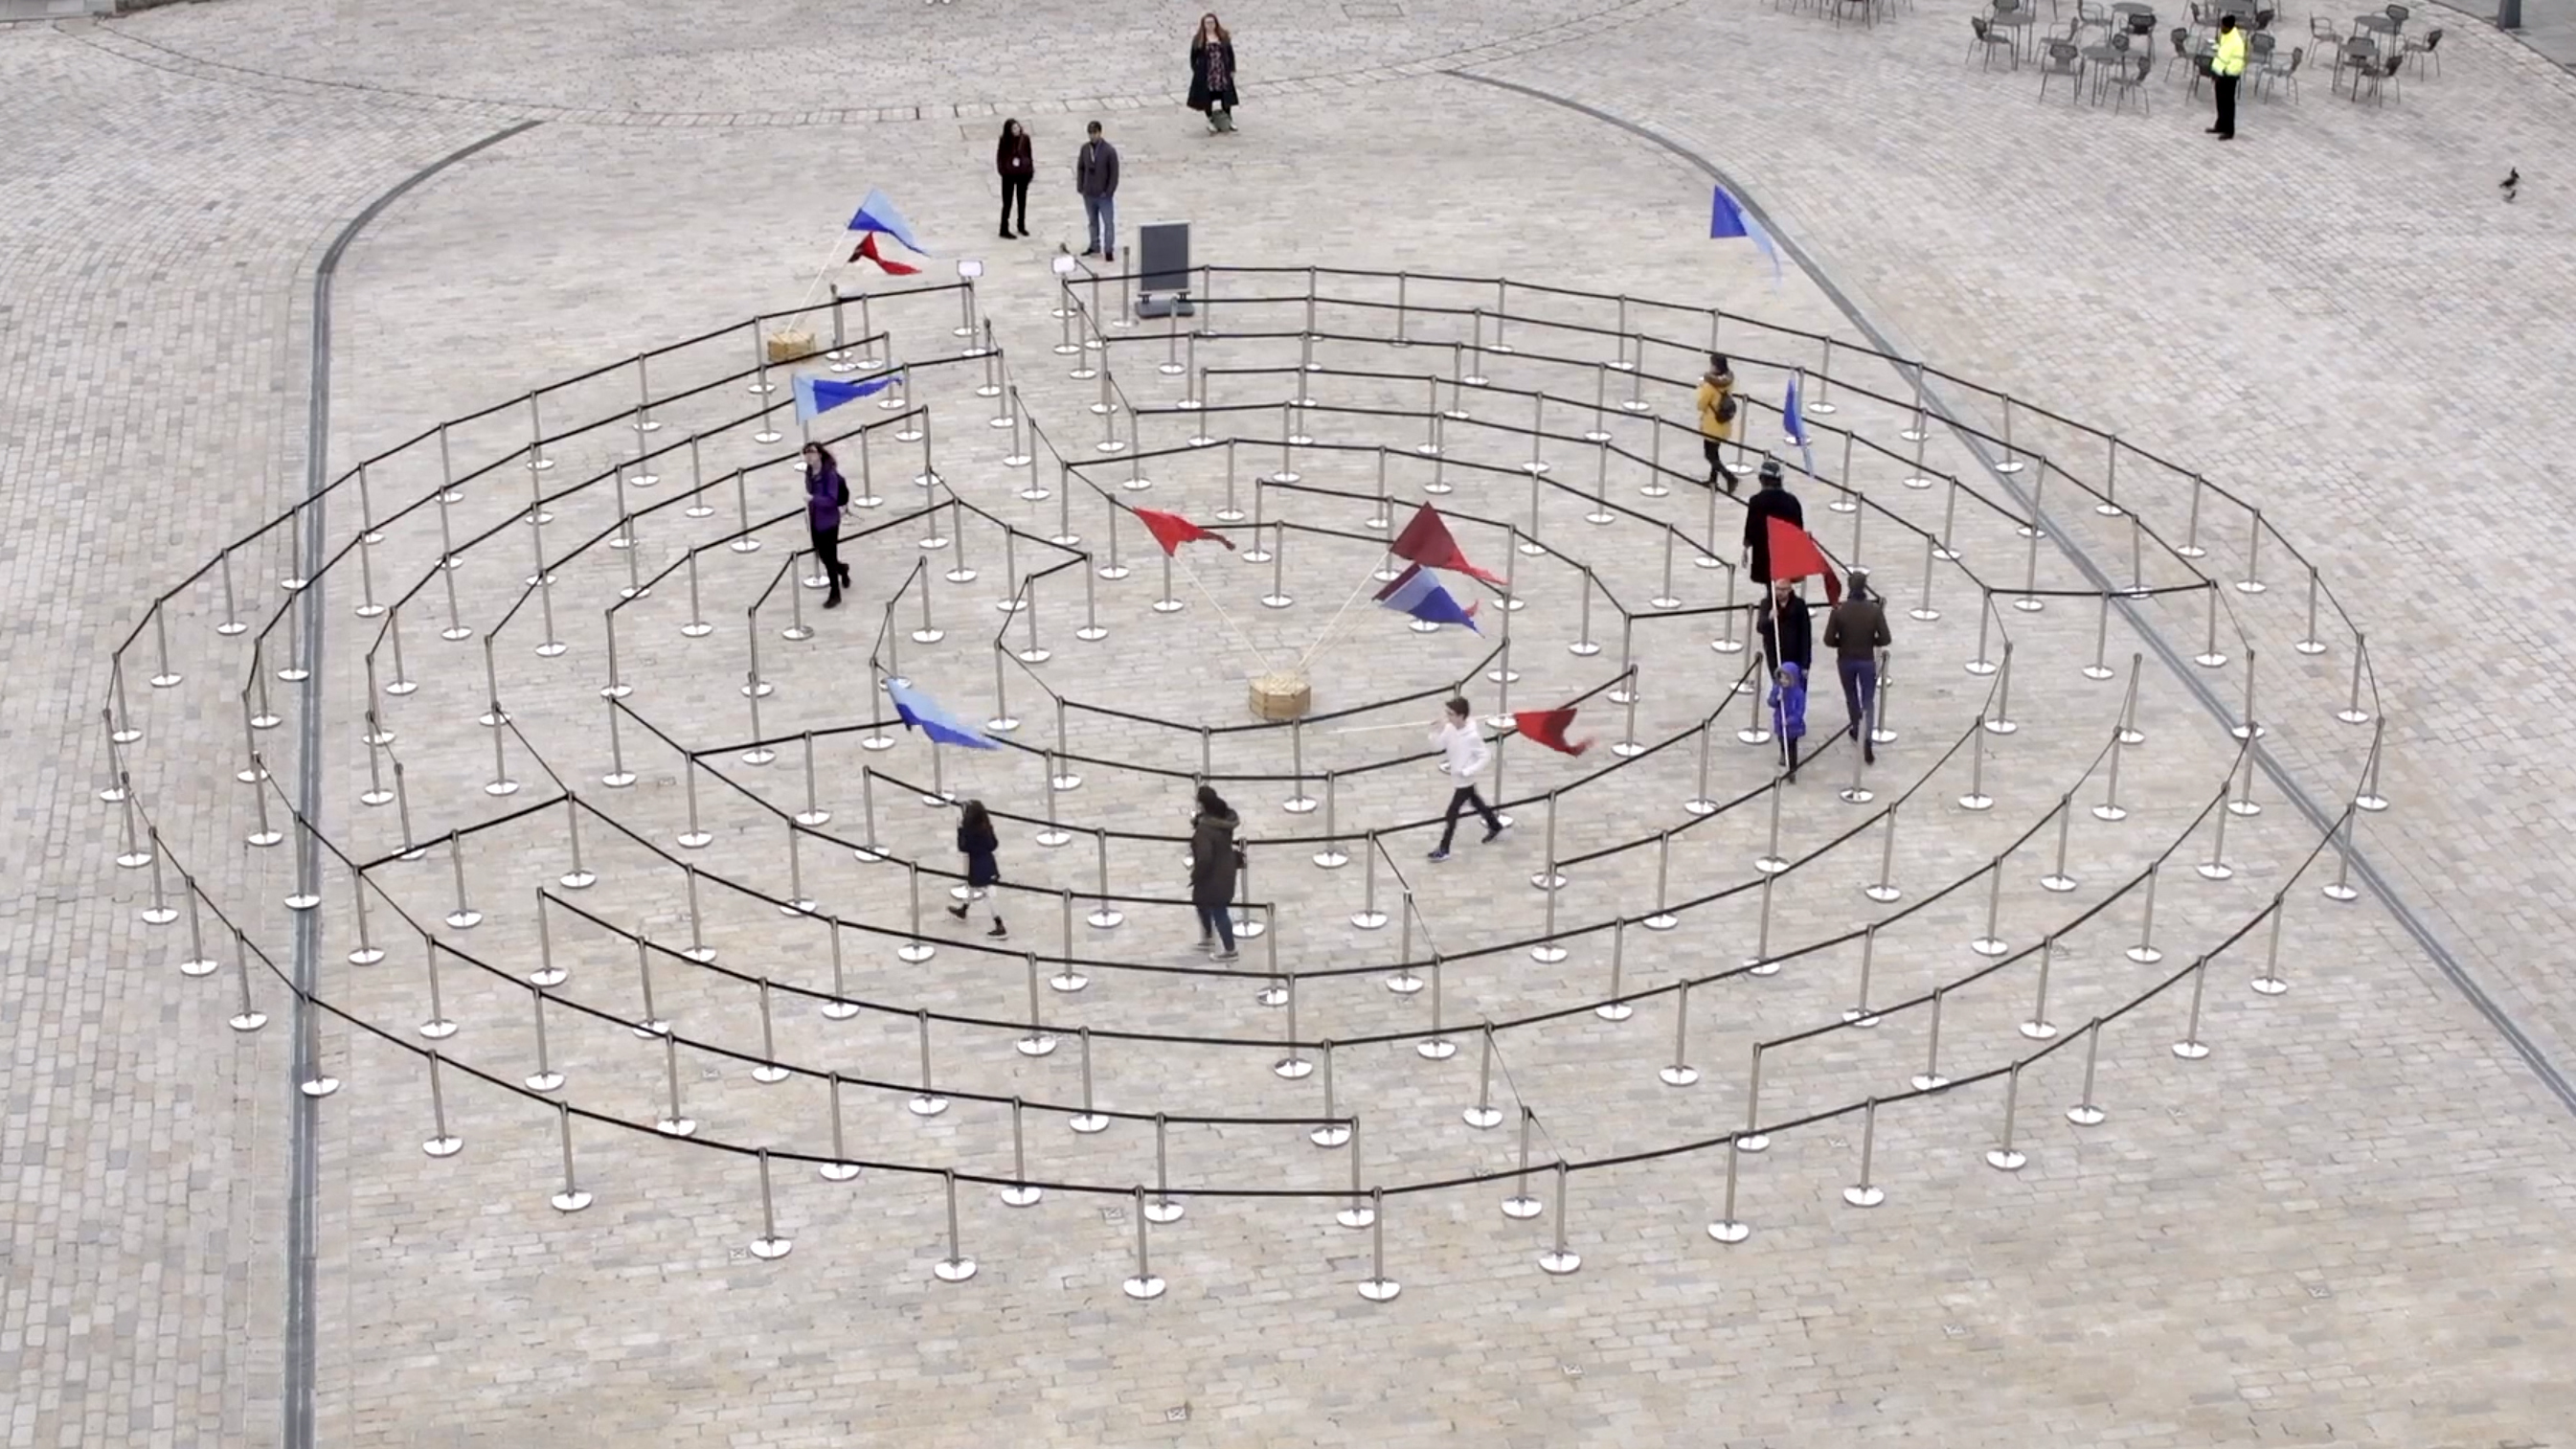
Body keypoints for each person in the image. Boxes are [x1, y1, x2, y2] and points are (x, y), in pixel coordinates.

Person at [1822, 566, 1892, 764]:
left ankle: (1856, 729)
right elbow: (1885, 638)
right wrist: (1872, 642)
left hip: (1846, 659)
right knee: (1868, 700)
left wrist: (1841, 643)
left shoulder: (1839, 611)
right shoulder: (1874, 610)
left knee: (1851, 696)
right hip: (1866, 660)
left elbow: (1828, 639)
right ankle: (1868, 737)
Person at [1427, 696, 1505, 862]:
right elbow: (1437, 747)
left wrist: (1468, 771)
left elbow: (1485, 756)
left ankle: (1444, 848)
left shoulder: (1472, 737)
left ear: (1461, 716)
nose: (1448, 717)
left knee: (1452, 813)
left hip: (1464, 779)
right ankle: (1495, 825)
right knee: (1476, 802)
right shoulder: (1449, 729)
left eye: (1452, 714)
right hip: (1458, 777)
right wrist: (1436, 731)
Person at [1188, 785, 1241, 961]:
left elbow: (1205, 858)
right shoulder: (1223, 819)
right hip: (1226, 868)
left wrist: (1195, 875)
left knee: (1218, 910)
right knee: (1201, 902)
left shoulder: (1205, 831)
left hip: (1212, 876)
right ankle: (1209, 937)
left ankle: (1230, 949)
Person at [944, 800, 1006, 938]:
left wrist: (960, 830)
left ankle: (999, 924)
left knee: (989, 894)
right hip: (988, 862)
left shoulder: (970, 831)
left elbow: (963, 847)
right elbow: (993, 845)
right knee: (972, 886)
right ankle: (964, 910)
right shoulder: (986, 827)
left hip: (978, 864)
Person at [802, 442, 851, 609]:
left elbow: (831, 499)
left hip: (829, 521)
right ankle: (842, 569)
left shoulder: (829, 474)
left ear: (820, 454)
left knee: (829, 557)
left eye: (812, 452)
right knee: (823, 555)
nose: (809, 456)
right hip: (815, 519)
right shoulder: (809, 472)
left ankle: (835, 593)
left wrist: (813, 499)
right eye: (806, 453)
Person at [1741, 457, 1804, 583]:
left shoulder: (1756, 501)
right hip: (1786, 553)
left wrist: (1746, 545)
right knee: (1783, 586)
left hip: (1764, 554)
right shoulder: (1792, 501)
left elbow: (1752, 528)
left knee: (1771, 587)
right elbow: (1799, 528)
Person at [1754, 576, 1814, 688]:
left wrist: (1806, 664)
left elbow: (1806, 634)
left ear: (1790, 589)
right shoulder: (1767, 604)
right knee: (1779, 688)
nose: (1780, 592)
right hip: (1775, 654)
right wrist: (1769, 619)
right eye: (1777, 589)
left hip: (1795, 654)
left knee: (1797, 688)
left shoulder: (1799, 605)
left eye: (1783, 589)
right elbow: (1760, 628)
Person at [1076, 121, 1120, 262]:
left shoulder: (1109, 151)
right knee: (1092, 221)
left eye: (1095, 133)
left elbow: (1114, 174)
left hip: (1103, 195)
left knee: (1108, 222)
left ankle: (1108, 249)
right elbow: (1081, 167)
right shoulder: (1085, 149)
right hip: (1089, 193)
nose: (1092, 136)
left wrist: (1108, 192)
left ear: (1100, 133)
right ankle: (1094, 245)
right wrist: (1081, 186)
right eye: (1090, 133)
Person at [1188, 14, 1240, 134]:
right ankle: (1210, 119)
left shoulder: (1223, 37)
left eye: (1212, 22)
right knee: (1207, 97)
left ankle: (1228, 118)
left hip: (1221, 71)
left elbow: (1230, 54)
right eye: (1207, 23)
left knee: (1225, 96)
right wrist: (1197, 71)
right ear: (1203, 25)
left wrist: (1232, 69)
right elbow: (1193, 57)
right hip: (1207, 73)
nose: (1210, 25)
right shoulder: (1199, 39)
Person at [1693, 354, 1737, 492]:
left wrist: (1701, 387)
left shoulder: (1709, 386)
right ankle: (1713, 480)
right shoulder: (1728, 381)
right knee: (1715, 453)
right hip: (1723, 423)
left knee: (1709, 454)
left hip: (1712, 424)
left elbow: (1701, 405)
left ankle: (1729, 477)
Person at [2208, 16, 2247, 142]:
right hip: (2220, 74)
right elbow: (2222, 51)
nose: (2221, 28)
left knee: (2228, 104)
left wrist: (2226, 72)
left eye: (2223, 26)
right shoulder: (2225, 36)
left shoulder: (2237, 42)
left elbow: (2238, 61)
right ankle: (2220, 125)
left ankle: (2229, 130)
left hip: (2229, 77)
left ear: (2229, 27)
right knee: (2220, 102)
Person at [1770, 663, 1809, 783]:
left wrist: (1791, 720)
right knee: (1782, 741)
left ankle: (1792, 769)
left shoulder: (1799, 694)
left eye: (1786, 678)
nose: (1783, 681)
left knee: (1792, 747)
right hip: (1780, 723)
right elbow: (1771, 702)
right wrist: (1776, 699)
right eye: (1781, 678)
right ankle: (1783, 754)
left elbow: (1800, 710)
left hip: (1793, 727)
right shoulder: (1778, 689)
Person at [995, 119, 1033, 238]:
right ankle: (1004, 228)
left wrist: (1030, 170)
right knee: (1007, 202)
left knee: (1022, 201)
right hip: (1008, 175)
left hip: (1022, 173)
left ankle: (1021, 225)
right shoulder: (1004, 140)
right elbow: (1000, 157)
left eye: (1018, 128)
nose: (1017, 130)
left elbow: (1029, 154)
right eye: (1014, 129)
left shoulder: (1025, 139)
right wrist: (1003, 171)